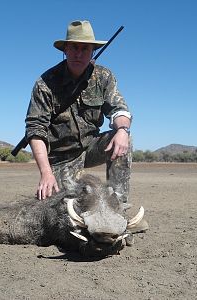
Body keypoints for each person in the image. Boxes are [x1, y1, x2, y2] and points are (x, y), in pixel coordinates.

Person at [25, 20, 132, 202]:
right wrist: (46, 173)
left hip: (91, 148)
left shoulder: (104, 77)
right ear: (65, 50)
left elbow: (119, 109)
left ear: (93, 51)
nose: (78, 54)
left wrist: (123, 130)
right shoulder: (45, 83)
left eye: (85, 49)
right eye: (74, 48)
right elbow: (35, 130)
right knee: (60, 207)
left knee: (124, 140)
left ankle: (118, 206)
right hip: (61, 158)